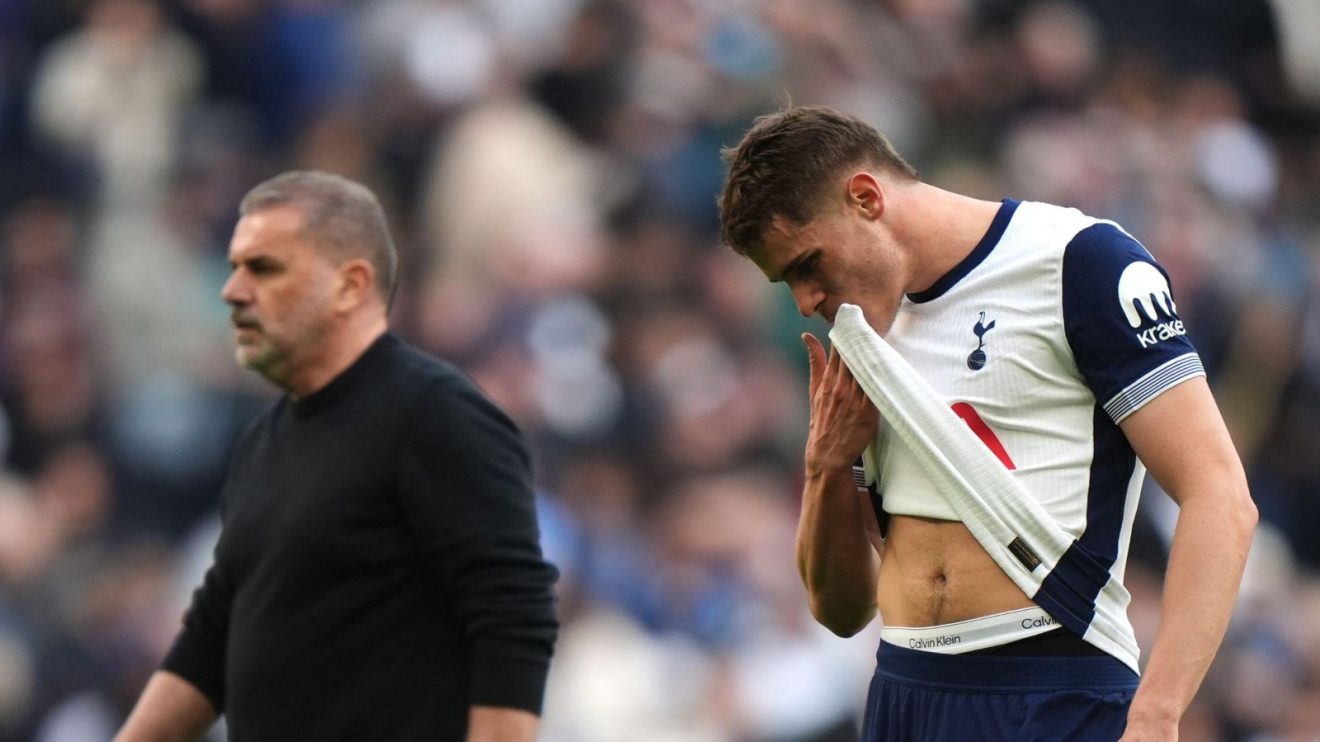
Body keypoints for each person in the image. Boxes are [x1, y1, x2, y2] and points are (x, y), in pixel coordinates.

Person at [718, 105, 1257, 741]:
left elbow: (1219, 496)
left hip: (1053, 689)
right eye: (786, 282)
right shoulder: (861, 334)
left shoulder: (1079, 262)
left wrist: (1158, 714)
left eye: (808, 265)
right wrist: (825, 466)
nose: (806, 301)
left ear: (866, 198)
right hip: (903, 694)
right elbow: (841, 611)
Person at [115, 171, 559, 741]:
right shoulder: (262, 442)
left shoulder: (433, 414)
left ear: (350, 286)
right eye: (235, 268)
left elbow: (513, 613)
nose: (233, 291)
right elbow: (214, 636)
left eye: (264, 268)